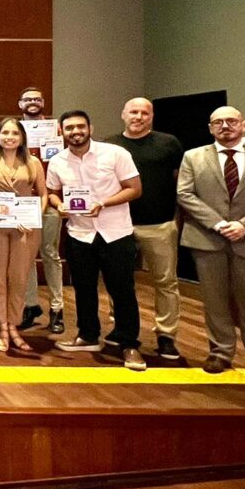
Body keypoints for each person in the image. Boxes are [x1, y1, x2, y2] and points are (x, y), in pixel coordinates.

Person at [46, 110, 145, 371]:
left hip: (116, 232)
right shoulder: (57, 161)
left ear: (90, 127)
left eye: (80, 126)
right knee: (84, 288)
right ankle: (88, 335)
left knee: (122, 290)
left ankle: (129, 344)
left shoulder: (116, 154)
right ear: (61, 131)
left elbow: (135, 188)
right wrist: (59, 207)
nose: (75, 132)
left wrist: (104, 203)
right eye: (69, 128)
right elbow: (53, 193)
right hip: (80, 234)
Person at [177, 106, 245, 378]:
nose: (225, 126)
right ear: (210, 129)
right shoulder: (193, 157)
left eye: (231, 121)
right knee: (214, 300)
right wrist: (218, 223)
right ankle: (220, 352)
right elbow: (185, 194)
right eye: (218, 122)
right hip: (208, 239)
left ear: (244, 125)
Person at [107, 98, 185, 360]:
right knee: (119, 282)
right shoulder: (110, 146)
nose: (138, 116)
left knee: (165, 281)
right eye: (133, 112)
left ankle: (166, 335)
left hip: (159, 224)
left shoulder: (169, 144)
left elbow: (180, 185)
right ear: (123, 114)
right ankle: (122, 328)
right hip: (119, 225)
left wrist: (177, 219)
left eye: (144, 113)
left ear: (151, 117)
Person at [0, 118, 47, 353]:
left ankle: (14, 326)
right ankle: (2, 328)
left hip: (25, 227)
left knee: (18, 277)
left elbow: (44, 195)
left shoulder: (33, 162)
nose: (9, 137)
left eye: (14, 133)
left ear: (22, 137)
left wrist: (35, 216)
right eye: (5, 132)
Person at [17, 86, 65, 333]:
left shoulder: (57, 131)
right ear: (20, 104)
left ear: (44, 102)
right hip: (23, 204)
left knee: (50, 254)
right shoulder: (13, 131)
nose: (33, 102)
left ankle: (57, 309)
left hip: (49, 203)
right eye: (28, 99)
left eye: (37, 98)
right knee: (25, 257)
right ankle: (30, 305)